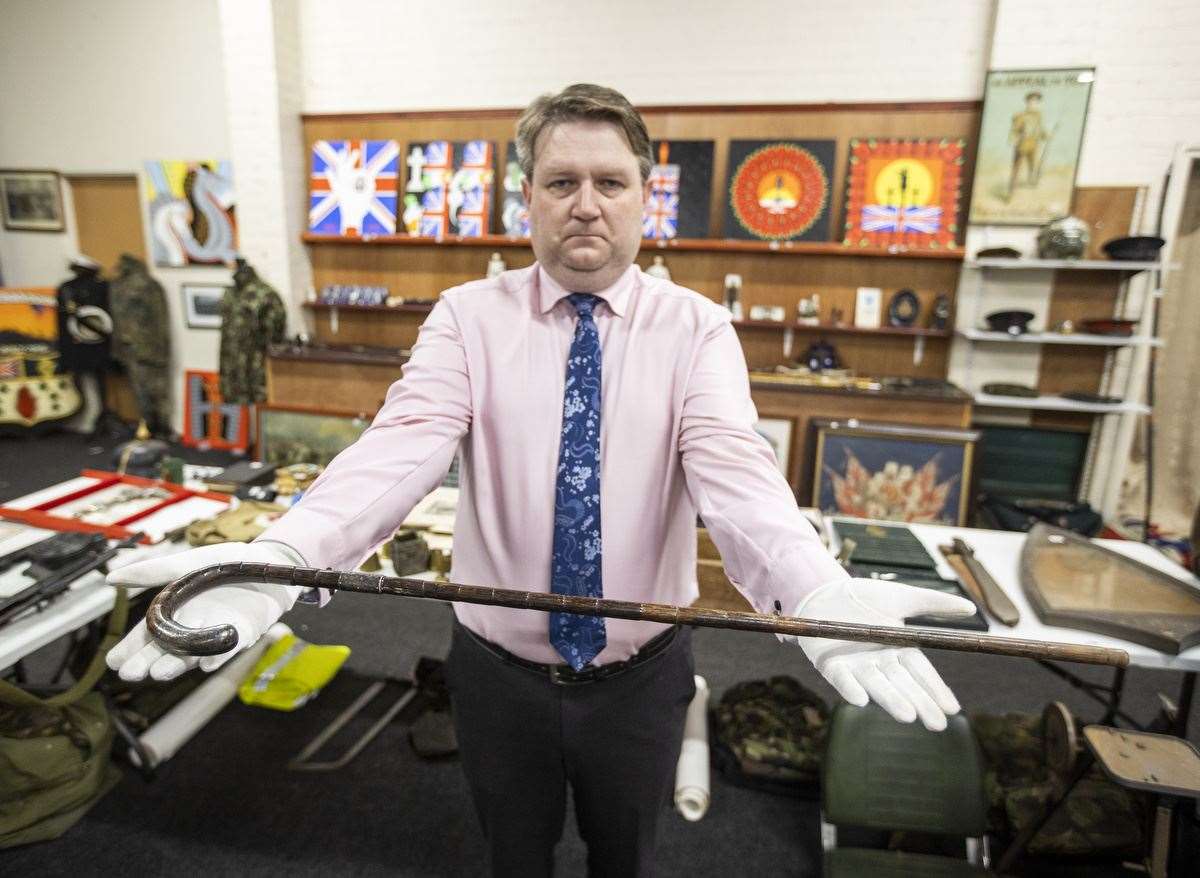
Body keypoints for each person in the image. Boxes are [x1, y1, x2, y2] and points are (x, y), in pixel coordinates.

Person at [107, 84, 973, 877]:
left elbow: (735, 475)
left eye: (610, 181)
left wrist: (814, 587)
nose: (586, 204)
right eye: (561, 182)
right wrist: (280, 558)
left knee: (623, 855)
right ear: (528, 199)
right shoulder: (466, 319)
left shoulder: (698, 329)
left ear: (645, 197)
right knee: (512, 854)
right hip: (495, 676)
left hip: (642, 678)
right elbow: (398, 449)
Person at [1007, 91, 1048, 200]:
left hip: (1034, 145)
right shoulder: (1020, 116)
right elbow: (1014, 130)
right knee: (1016, 167)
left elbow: (1040, 129)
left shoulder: (1038, 115)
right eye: (1032, 102)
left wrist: (1046, 135)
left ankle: (1031, 183)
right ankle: (1011, 191)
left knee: (1033, 165)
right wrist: (1013, 139)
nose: (1034, 104)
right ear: (1027, 102)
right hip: (1022, 144)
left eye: (1036, 102)